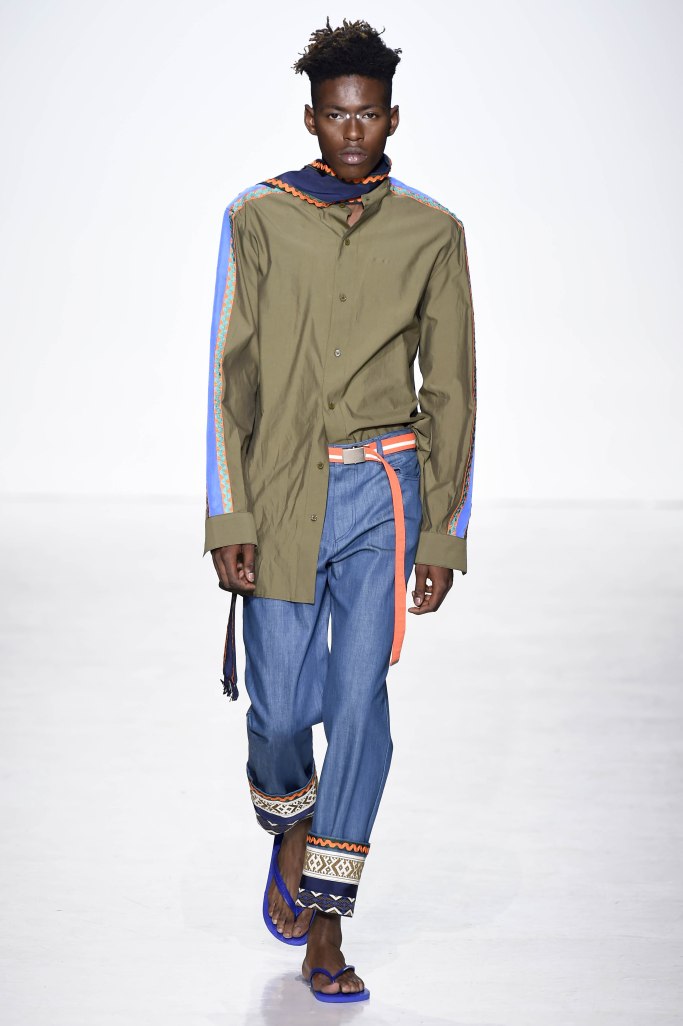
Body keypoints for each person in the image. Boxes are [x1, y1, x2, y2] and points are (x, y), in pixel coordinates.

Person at [204, 17, 477, 1003]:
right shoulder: (257, 218)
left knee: (358, 705)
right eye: (335, 114)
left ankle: (327, 919)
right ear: (311, 117)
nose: (351, 130)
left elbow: (452, 389)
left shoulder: (431, 232)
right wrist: (228, 518)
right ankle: (289, 824)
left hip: (382, 495)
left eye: (367, 114)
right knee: (280, 708)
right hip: (280, 489)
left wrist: (442, 531)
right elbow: (227, 376)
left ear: (390, 117)